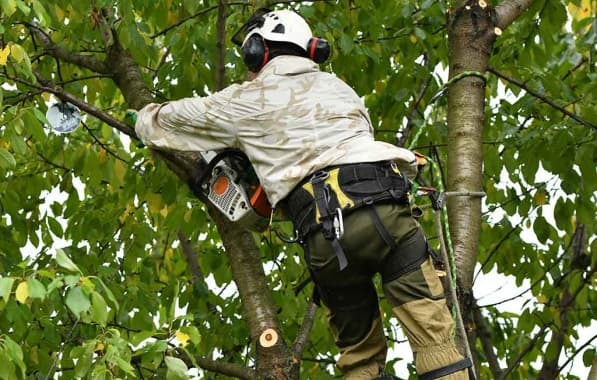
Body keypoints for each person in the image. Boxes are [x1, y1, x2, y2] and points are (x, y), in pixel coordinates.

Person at [135, 8, 471, 380]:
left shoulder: (247, 99)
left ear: (257, 51)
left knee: (360, 359)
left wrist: (145, 116)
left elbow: (159, 124)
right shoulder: (342, 89)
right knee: (436, 344)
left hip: (328, 236)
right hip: (390, 214)